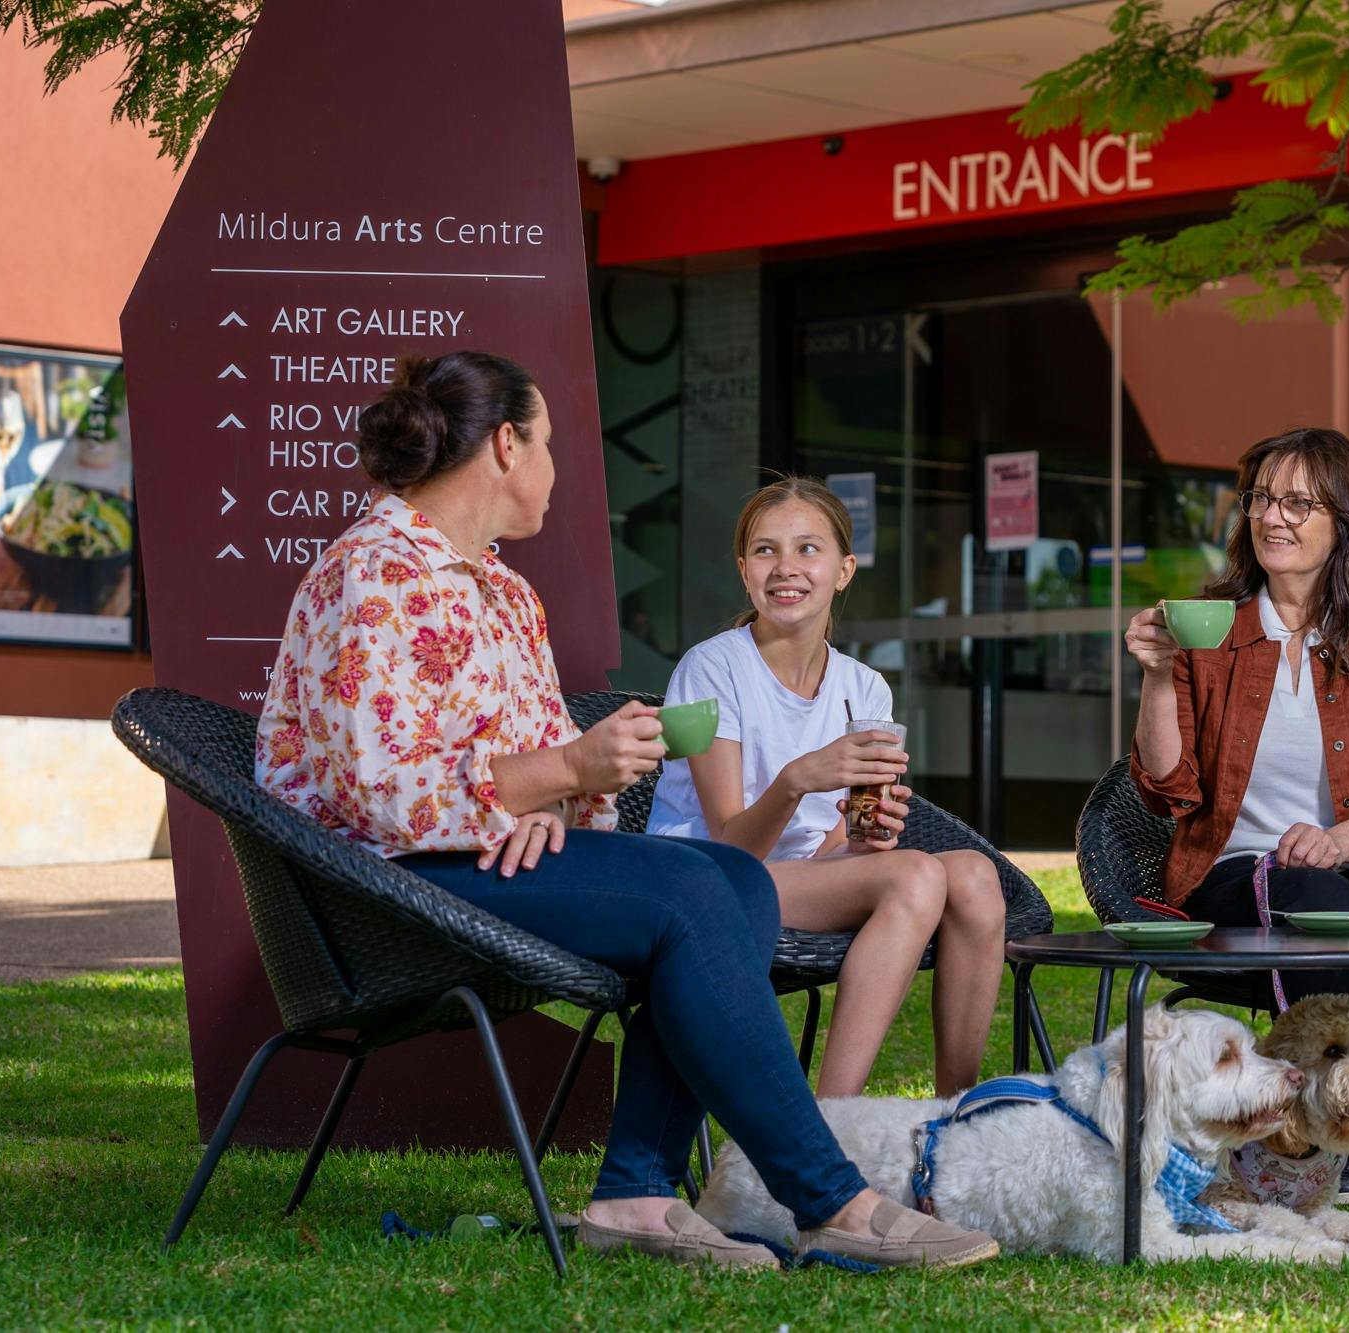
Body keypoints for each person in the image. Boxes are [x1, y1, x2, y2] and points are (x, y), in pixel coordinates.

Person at [254, 352, 997, 1272]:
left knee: (729, 880)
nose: (559, 470)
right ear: (507, 444)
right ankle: (827, 1194)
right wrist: (556, 770)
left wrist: (561, 784)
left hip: (496, 860)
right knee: (698, 886)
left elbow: (542, 773)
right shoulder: (371, 574)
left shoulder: (503, 589)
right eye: (551, 445)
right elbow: (380, 787)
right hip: (389, 887)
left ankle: (639, 1194)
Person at [1124, 426, 1349, 1211]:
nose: (1271, 517)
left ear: (1342, 520)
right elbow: (1166, 786)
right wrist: (1154, 675)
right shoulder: (1207, 628)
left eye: (1296, 501)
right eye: (1259, 499)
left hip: (1345, 863)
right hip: (1230, 872)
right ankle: (1309, 1136)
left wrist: (1343, 837)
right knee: (1328, 906)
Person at [647, 478, 1006, 1099]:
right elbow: (732, 849)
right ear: (743, 570)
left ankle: (955, 1116)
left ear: (844, 570)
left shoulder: (864, 688)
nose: (786, 568)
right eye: (765, 551)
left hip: (794, 881)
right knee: (916, 875)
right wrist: (796, 780)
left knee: (972, 874)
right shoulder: (710, 669)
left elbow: (828, 848)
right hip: (704, 880)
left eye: (807, 549)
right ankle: (832, 1124)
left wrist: (866, 840)